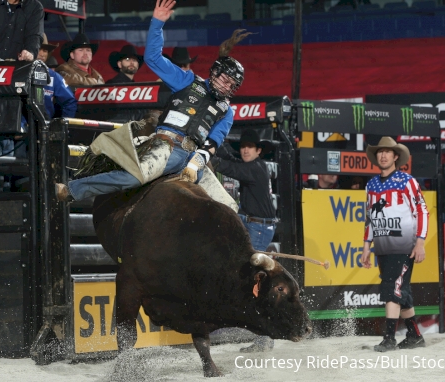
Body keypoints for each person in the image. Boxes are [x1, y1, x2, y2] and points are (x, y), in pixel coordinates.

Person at [54, 0, 244, 202]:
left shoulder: (226, 111)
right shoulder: (187, 80)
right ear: (214, 73)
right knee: (133, 178)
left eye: (232, 84)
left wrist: (197, 161)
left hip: (195, 158)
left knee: (229, 205)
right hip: (166, 145)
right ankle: (72, 190)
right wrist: (157, 23)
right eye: (225, 79)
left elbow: (214, 141)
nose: (226, 86)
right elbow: (153, 57)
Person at [359, 136, 428, 352]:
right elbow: (370, 218)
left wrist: (420, 243)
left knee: (391, 287)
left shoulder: (408, 181)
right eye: (380, 151)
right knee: (401, 291)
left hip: (404, 245)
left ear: (395, 156)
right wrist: (366, 246)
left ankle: (389, 338)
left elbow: (421, 211)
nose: (383, 155)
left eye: (387, 151)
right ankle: (415, 335)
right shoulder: (370, 184)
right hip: (383, 247)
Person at [210, 129, 277, 353]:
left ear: (259, 151)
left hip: (257, 227)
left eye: (250, 147)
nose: (246, 149)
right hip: (252, 223)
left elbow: (229, 167)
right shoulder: (256, 166)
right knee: (249, 278)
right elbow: (231, 159)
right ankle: (263, 334)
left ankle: (265, 335)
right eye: (243, 146)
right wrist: (215, 141)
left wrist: (207, 154)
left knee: (255, 281)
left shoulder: (254, 168)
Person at [36, 33, 77, 119]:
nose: (42, 54)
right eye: (39, 49)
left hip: (43, 127)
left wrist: (63, 125)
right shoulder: (18, 72)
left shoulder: (53, 76)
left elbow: (69, 101)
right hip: (19, 127)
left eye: (45, 51)